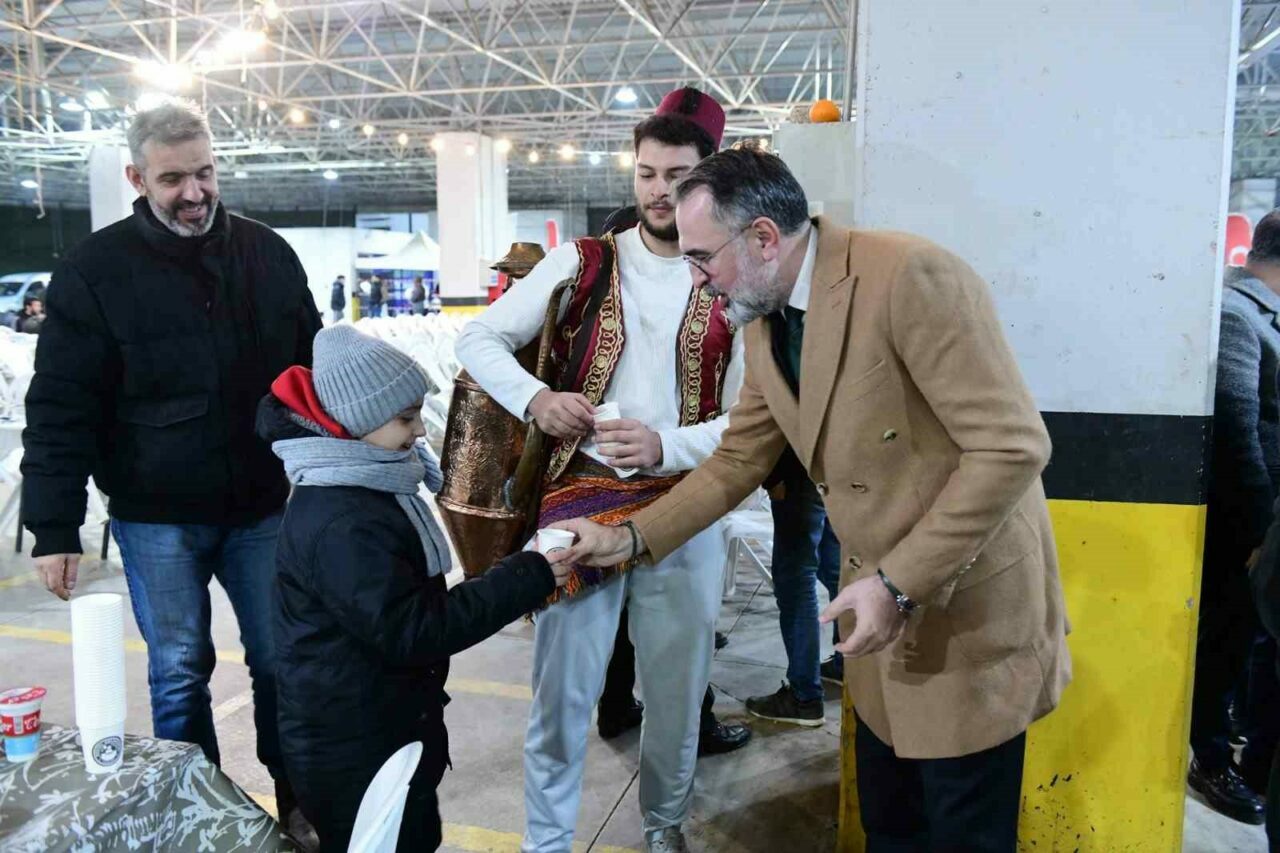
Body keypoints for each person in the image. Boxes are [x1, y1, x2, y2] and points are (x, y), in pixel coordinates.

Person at [553, 148, 1071, 851]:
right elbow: (739, 458)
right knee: (891, 827)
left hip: (963, 616)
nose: (697, 280)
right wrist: (629, 537)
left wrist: (898, 583)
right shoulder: (765, 318)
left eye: (702, 258)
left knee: (963, 834)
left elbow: (1011, 449)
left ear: (764, 238)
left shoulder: (909, 277)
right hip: (876, 619)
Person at [21, 96, 322, 840]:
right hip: (155, 515)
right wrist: (54, 526)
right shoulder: (93, 271)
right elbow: (60, 405)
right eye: (173, 179)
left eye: (205, 173)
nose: (194, 193)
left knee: (283, 660)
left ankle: (301, 800)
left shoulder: (266, 254)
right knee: (180, 671)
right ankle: (195, 818)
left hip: (262, 505)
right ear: (136, 178)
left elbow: (312, 370)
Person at [455, 87, 745, 853]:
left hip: (686, 503)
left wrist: (666, 447)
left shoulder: (733, 276)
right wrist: (537, 398)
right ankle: (546, 842)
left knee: (677, 693)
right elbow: (477, 338)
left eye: (678, 175)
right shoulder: (584, 260)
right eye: (647, 173)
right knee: (561, 694)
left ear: (709, 176)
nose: (659, 190)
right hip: (576, 500)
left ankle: (664, 826)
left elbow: (750, 421)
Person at [260, 325, 568, 850]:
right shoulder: (344, 521)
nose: (421, 431)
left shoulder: (362, 485)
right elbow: (415, 629)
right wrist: (526, 574)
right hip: (356, 752)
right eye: (405, 418)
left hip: (377, 727)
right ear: (357, 421)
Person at [592, 202, 750, 756]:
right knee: (657, 616)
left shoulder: (714, 305)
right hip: (627, 482)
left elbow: (743, 422)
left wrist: (666, 445)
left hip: (676, 477)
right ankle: (674, 720)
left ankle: (634, 712)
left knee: (667, 620)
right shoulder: (598, 303)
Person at [1187, 214, 1280, 825]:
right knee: (1223, 646)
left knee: (1246, 646)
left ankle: (1235, 743)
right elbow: (1236, 434)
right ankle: (1210, 758)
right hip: (1246, 527)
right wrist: (1257, 532)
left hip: (1264, 523)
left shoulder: (1263, 317)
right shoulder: (1237, 316)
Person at [744, 448, 844, 726]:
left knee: (795, 582)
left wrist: (774, 476)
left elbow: (784, 423)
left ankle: (804, 697)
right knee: (834, 568)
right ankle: (845, 664)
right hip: (830, 464)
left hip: (798, 468)